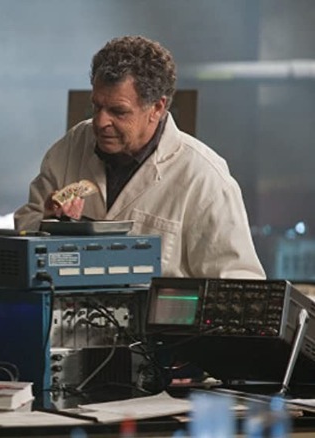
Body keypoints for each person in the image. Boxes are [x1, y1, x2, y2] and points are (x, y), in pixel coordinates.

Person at [14, 35, 265, 279]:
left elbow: (237, 283)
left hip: (157, 323)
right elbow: (23, 228)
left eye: (118, 111)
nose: (101, 122)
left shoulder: (204, 179)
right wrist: (48, 224)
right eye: (97, 106)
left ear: (157, 108)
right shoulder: (71, 147)